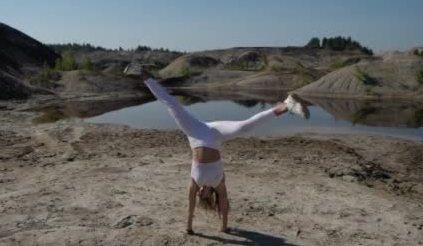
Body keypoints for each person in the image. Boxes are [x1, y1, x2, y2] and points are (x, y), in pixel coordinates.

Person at [125, 64, 309, 234]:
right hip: (215, 136)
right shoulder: (218, 183)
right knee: (245, 127)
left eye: (198, 194)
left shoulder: (194, 183)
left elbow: (190, 205)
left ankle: (142, 74)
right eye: (203, 195)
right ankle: (287, 104)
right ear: (209, 195)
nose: (199, 193)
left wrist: (188, 228)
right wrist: (224, 227)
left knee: (171, 103)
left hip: (195, 131)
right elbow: (224, 203)